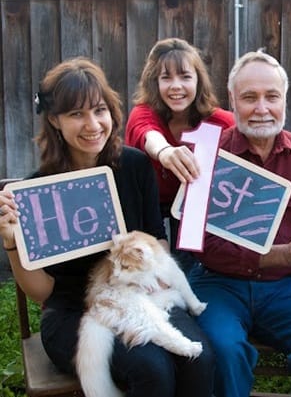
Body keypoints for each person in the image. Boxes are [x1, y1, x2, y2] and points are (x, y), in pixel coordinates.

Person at [0, 57, 215, 397]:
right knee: (152, 369)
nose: (92, 124)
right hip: (75, 312)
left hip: (141, 294)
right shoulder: (38, 191)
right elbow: (44, 293)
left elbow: (157, 242)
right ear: (54, 120)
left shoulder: (135, 165)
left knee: (198, 360)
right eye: (76, 114)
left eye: (99, 110)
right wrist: (12, 243)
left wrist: (153, 282)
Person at [187, 50, 291, 397]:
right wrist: (275, 255)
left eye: (271, 96)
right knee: (224, 351)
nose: (261, 108)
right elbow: (196, 243)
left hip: (284, 289)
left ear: (284, 100)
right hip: (218, 284)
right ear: (232, 100)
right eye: (249, 98)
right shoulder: (207, 154)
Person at [125, 37, 235, 272]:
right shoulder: (143, 112)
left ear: (198, 80)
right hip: (146, 204)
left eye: (185, 77)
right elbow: (146, 133)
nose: (176, 86)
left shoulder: (221, 122)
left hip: (191, 208)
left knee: (188, 263)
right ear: (155, 83)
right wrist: (165, 152)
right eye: (166, 78)